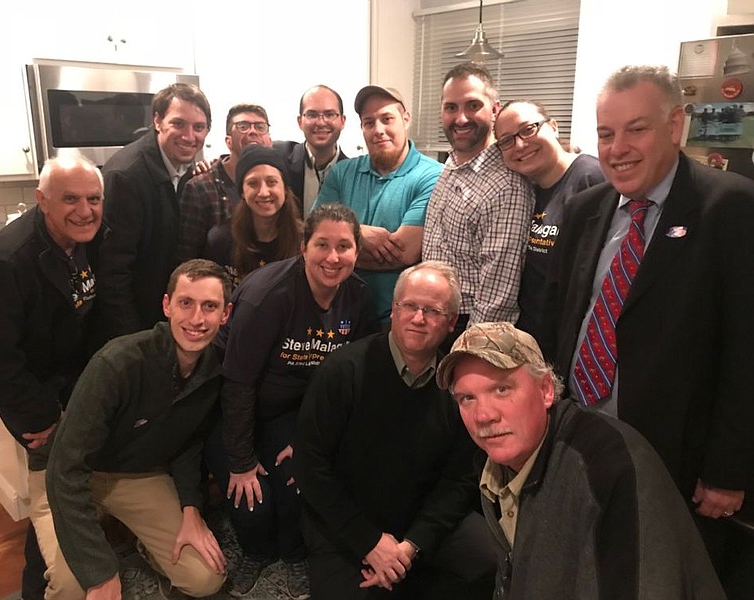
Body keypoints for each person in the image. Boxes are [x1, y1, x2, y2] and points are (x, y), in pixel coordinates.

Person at [542, 65, 754, 584]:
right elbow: (560, 321)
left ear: (676, 124)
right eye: (606, 133)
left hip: (677, 457)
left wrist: (728, 470)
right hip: (580, 435)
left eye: (636, 129)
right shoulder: (584, 209)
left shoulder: (732, 208)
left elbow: (746, 353)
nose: (618, 148)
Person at [438, 321, 724, 598]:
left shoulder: (608, 464)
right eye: (467, 398)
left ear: (546, 390)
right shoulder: (497, 465)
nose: (484, 415)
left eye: (502, 389)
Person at [294, 261, 494, 600]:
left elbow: (460, 480)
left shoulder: (459, 388)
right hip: (345, 525)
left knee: (491, 560)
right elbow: (310, 467)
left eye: (433, 310)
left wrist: (411, 546)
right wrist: (369, 542)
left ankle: (402, 572)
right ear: (394, 310)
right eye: (410, 306)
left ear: (450, 324)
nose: (418, 318)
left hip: (418, 525)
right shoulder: (342, 371)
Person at [0, 153, 104, 598]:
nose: (85, 209)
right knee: (57, 488)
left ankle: (73, 567)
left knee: (72, 483)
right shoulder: (3, 262)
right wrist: (41, 417)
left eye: (94, 198)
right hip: (33, 398)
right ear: (41, 200)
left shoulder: (86, 241)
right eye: (70, 199)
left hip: (71, 386)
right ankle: (41, 588)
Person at [45, 259, 233, 599]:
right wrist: (101, 575)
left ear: (225, 314)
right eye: (185, 303)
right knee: (69, 589)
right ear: (167, 305)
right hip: (76, 475)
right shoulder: (117, 363)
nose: (196, 319)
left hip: (138, 475)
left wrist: (191, 508)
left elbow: (189, 443)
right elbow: (64, 469)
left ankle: (145, 545)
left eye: (210, 306)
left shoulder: (214, 373)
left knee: (206, 578)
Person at [215, 203, 376, 599]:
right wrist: (240, 461)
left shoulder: (358, 296)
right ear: (304, 247)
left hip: (296, 411)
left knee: (297, 482)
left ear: (357, 252)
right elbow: (237, 382)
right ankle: (255, 551)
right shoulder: (266, 297)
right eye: (322, 244)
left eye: (344, 246)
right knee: (251, 502)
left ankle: (292, 556)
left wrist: (312, 441)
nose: (333, 257)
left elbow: (349, 379)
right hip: (238, 408)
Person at [422, 63, 533, 349]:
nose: (460, 118)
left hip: (467, 327)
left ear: (494, 109)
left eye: (473, 105)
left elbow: (499, 296)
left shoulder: (507, 185)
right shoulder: (451, 163)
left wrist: (470, 353)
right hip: (434, 317)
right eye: (451, 108)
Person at [314, 85, 443, 323]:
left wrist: (339, 246)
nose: (378, 130)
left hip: (398, 321)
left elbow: (403, 254)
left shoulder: (433, 176)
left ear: (405, 119)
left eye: (387, 119)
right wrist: (359, 232)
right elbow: (312, 236)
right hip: (335, 315)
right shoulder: (341, 173)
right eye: (369, 122)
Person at [97, 83, 211, 343]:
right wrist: (135, 343)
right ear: (157, 121)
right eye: (179, 124)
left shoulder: (183, 168)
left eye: (199, 127)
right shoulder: (126, 177)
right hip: (136, 325)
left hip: (164, 318)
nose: (190, 136)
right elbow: (113, 274)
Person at [493, 99, 604, 340]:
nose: (520, 144)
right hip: (532, 336)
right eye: (507, 140)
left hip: (573, 339)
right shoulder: (524, 190)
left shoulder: (592, 179)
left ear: (553, 126)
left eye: (528, 129)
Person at [178, 103, 273, 263]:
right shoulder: (200, 188)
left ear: (269, 141)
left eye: (260, 127)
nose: (252, 131)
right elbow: (186, 257)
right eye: (242, 126)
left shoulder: (277, 185)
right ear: (228, 141)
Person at [204, 144, 302, 285]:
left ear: (285, 189)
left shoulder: (304, 241)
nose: (263, 192)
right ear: (242, 192)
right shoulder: (220, 239)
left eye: (271, 182)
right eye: (253, 183)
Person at [275, 85, 348, 217]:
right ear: (300, 121)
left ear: (342, 121)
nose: (320, 122)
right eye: (312, 114)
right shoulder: (279, 158)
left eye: (330, 114)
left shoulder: (351, 173)